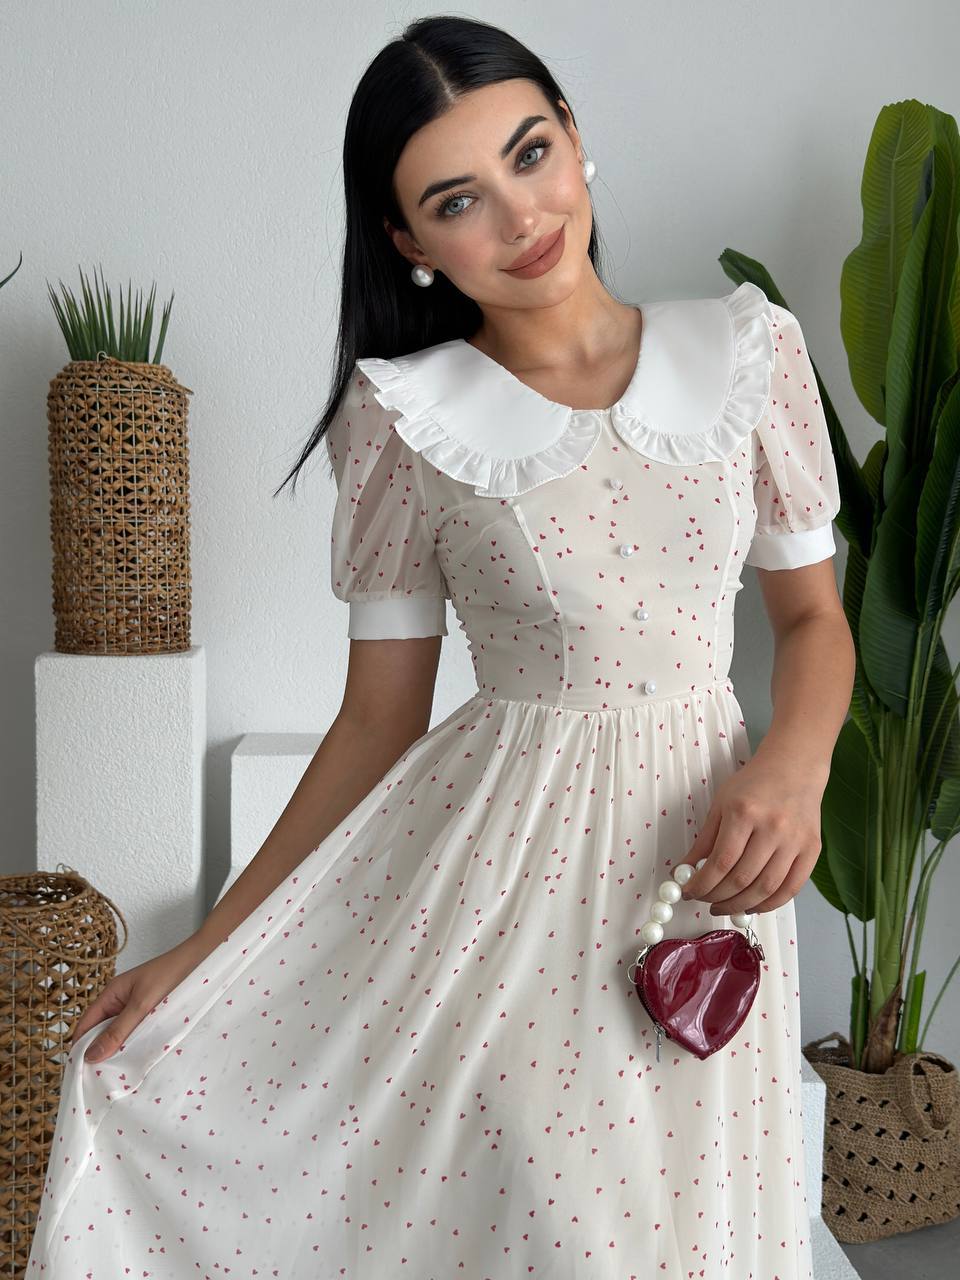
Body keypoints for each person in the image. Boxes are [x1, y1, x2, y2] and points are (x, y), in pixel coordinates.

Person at [26, 14, 855, 1279]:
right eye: (460, 198)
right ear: (410, 242)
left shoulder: (747, 353)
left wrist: (795, 764)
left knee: (691, 1237)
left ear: (576, 137)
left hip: (703, 877)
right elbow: (377, 720)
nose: (522, 215)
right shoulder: (408, 421)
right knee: (571, 1237)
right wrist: (206, 949)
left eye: (532, 152)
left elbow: (812, 619)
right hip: (508, 892)